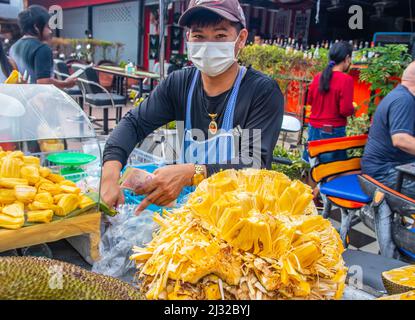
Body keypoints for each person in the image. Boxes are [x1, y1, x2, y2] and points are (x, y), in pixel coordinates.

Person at [101, 0, 284, 214]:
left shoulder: (261, 92)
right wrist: (110, 175)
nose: (208, 45)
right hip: (191, 217)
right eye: (199, 36)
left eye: (220, 36)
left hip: (242, 218)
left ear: (240, 39)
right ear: (188, 38)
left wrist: (191, 172)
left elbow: (254, 165)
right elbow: (133, 124)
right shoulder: (179, 84)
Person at [362, 62, 415, 199]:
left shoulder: (401, 95)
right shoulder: (404, 100)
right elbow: (401, 139)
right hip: (384, 173)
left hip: (389, 168)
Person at [304, 41, 355, 163]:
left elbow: (310, 100)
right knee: (331, 171)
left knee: (314, 169)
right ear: (347, 58)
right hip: (332, 132)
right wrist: (354, 109)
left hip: (313, 129)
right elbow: (345, 110)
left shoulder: (318, 77)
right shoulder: (346, 80)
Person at [10, 5, 76, 88]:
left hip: (21, 97)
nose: (50, 31)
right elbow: (44, 82)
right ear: (36, 26)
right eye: (47, 26)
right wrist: (66, 83)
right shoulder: (42, 48)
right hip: (38, 98)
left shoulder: (14, 47)